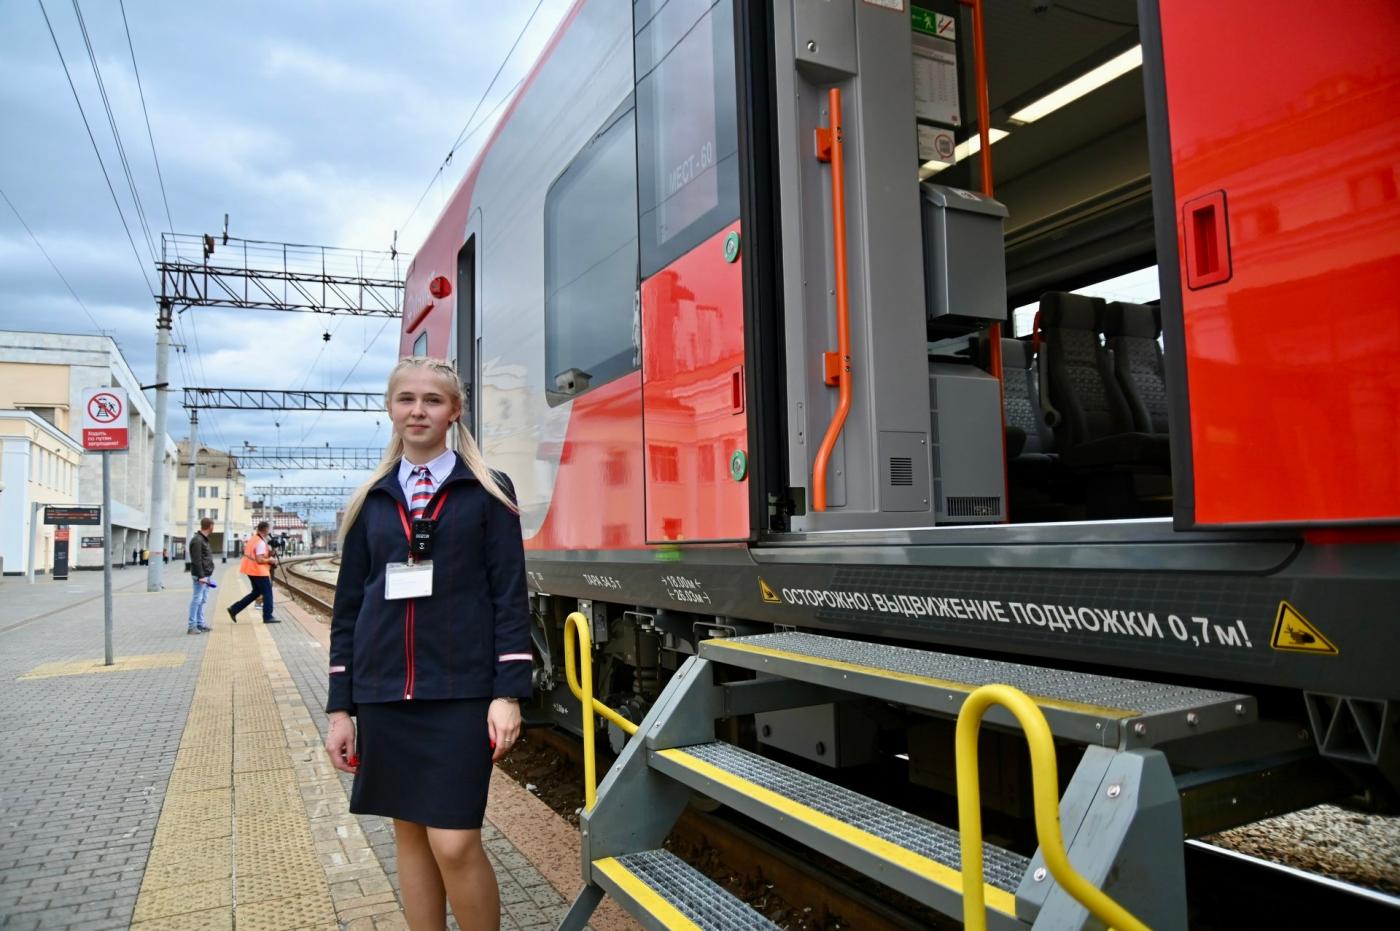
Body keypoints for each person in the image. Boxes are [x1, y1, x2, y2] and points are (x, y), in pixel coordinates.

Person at [325, 357, 530, 931]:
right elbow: (349, 608)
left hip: (461, 693)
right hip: (384, 695)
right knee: (410, 837)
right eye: (406, 399)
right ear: (390, 409)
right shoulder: (371, 499)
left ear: (454, 411)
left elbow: (509, 595)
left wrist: (508, 693)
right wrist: (340, 709)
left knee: (455, 842)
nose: (418, 411)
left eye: (433, 400)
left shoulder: (488, 490)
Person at [228, 521, 279, 623]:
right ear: (265, 529)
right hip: (258, 571)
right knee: (267, 593)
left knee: (256, 592)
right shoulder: (260, 542)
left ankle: (234, 609)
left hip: (250, 569)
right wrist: (270, 560)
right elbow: (259, 559)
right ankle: (268, 616)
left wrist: (273, 549)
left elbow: (261, 555)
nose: (269, 531)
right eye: (268, 529)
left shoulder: (254, 539)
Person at [187, 517, 217, 634]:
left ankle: (200, 624)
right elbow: (196, 560)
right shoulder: (197, 540)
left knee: (202, 600)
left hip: (206, 575)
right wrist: (201, 576)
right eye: (213, 526)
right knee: (197, 599)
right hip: (201, 576)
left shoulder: (203, 539)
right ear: (210, 526)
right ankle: (192, 626)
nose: (213, 528)